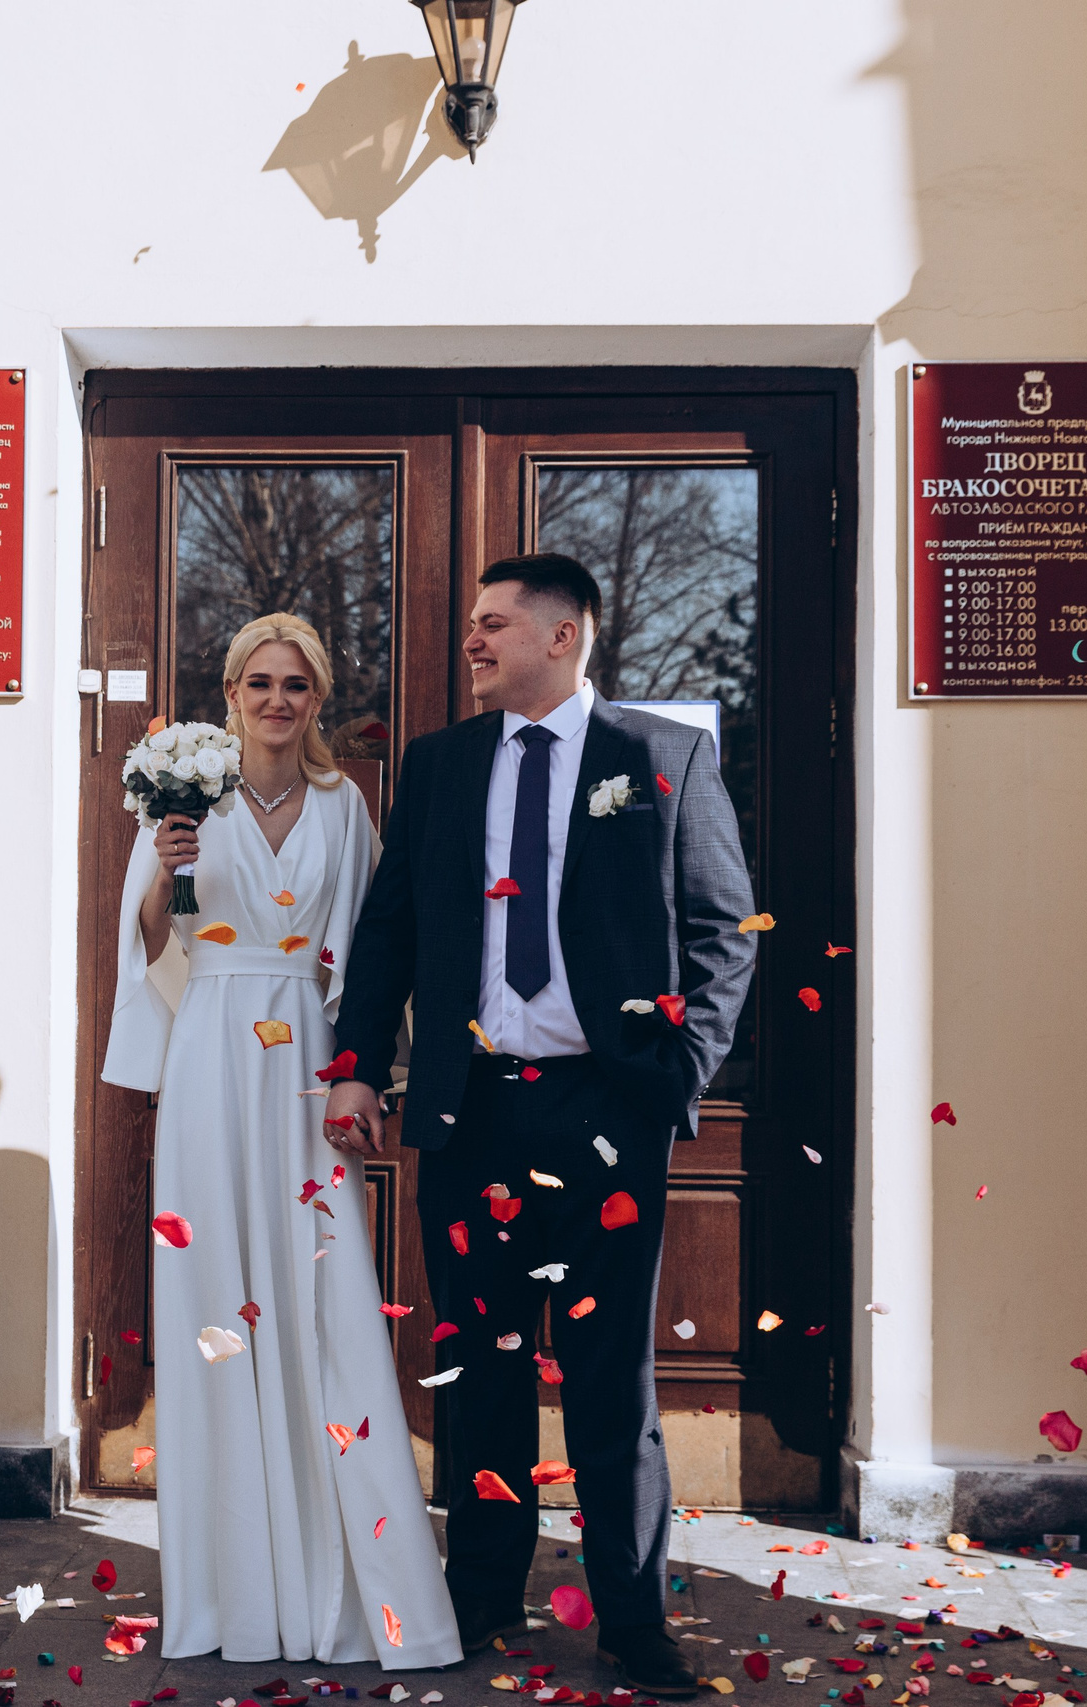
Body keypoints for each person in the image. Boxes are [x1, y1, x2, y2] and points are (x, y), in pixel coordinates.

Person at [324, 554, 756, 1700]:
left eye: (492, 625)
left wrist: (675, 1077)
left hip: (604, 1108)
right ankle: (479, 1595)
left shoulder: (663, 758)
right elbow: (391, 932)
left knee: (611, 1380)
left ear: (564, 637)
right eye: (472, 624)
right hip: (470, 1113)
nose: (471, 641)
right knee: (479, 1369)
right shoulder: (442, 764)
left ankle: (629, 1617)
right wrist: (360, 1069)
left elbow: (724, 932)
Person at [101, 613, 462, 1670]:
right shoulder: (179, 798)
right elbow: (146, 951)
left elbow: (369, 940)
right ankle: (233, 1593)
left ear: (316, 697)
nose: (275, 700)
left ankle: (346, 1583)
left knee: (321, 1293)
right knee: (220, 1298)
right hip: (211, 1054)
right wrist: (166, 877)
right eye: (259, 682)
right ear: (229, 690)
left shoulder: (348, 804)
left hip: (305, 1052)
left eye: (295, 684)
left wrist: (359, 1073)